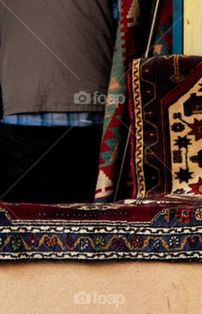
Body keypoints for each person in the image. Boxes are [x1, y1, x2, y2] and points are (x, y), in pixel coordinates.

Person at [0, 0, 118, 203]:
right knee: (85, 222)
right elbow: (131, 27)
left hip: (22, 108)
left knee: (21, 223)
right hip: (91, 109)